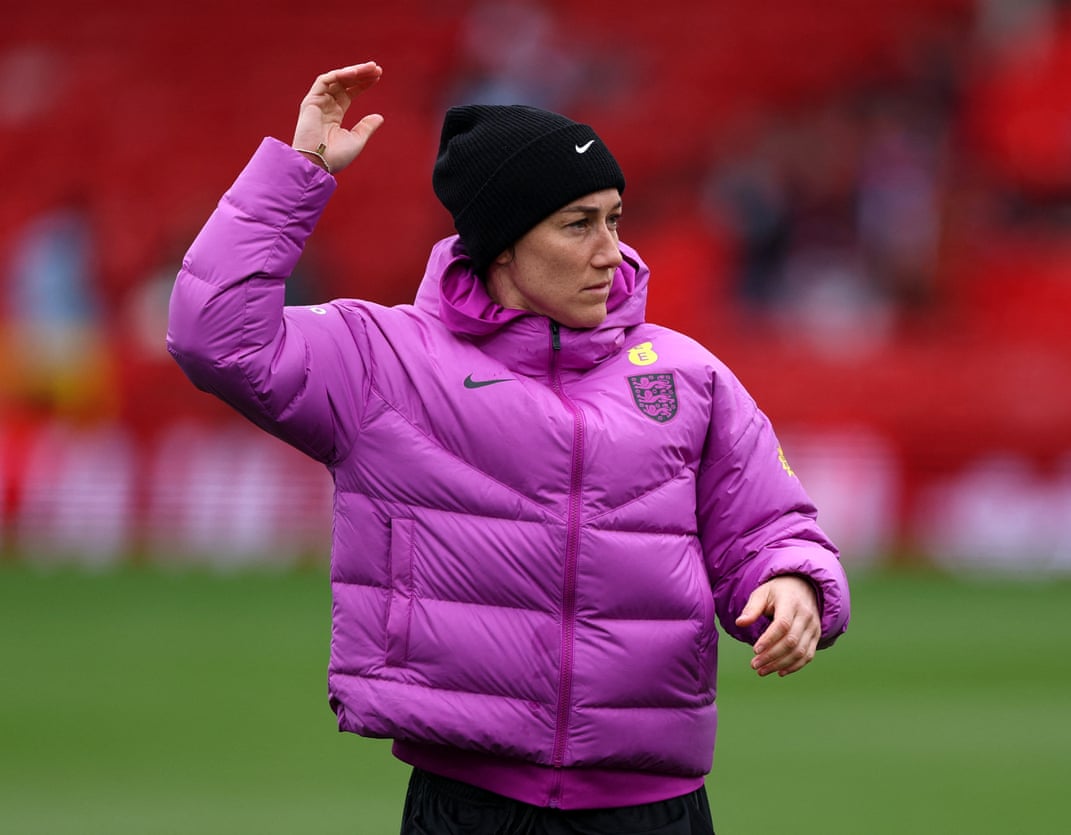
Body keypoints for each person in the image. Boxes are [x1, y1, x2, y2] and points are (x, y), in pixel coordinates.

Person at [167, 61, 850, 834]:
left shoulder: (687, 375)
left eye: (615, 219)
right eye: (578, 224)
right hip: (472, 804)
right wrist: (298, 174)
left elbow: (771, 526)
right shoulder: (384, 361)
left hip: (654, 809)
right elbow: (214, 337)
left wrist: (794, 584)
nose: (610, 251)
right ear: (501, 245)